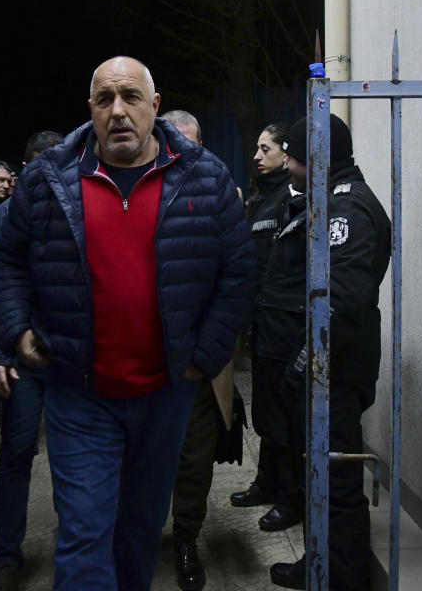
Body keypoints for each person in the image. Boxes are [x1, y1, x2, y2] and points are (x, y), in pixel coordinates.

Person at [0, 56, 255, 591]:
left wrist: (203, 357)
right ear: (89, 109)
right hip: (79, 393)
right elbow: (9, 259)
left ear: (154, 106)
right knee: (85, 537)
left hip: (166, 392)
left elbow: (239, 274)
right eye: (104, 99)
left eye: (131, 97)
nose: (118, 111)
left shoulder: (205, 177)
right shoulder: (48, 178)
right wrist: (17, 329)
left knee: (138, 533)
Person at [260, 115, 391, 590]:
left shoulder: (348, 210)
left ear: (317, 158)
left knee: (334, 480)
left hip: (334, 368)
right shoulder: (329, 201)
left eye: (292, 155)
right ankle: (321, 562)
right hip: (324, 366)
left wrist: (304, 361)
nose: (287, 165)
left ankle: (342, 579)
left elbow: (342, 300)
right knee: (317, 469)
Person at [0, 130, 62, 591]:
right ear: (28, 168)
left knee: (75, 459)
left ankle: (76, 549)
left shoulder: (83, 207)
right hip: (23, 360)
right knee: (15, 457)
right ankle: (6, 559)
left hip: (71, 361)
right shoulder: (9, 215)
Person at [160, 109, 235, 591]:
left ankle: (187, 538)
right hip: (144, 361)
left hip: (202, 363)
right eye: (175, 144)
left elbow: (236, 281)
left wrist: (206, 355)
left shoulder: (224, 195)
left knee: (194, 460)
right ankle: (138, 533)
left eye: (192, 145)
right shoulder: (135, 194)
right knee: (141, 456)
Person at [230, 122, 306, 534]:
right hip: (262, 321)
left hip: (284, 324)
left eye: (266, 148)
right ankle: (268, 482)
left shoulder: (291, 197)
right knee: (266, 411)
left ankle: (291, 496)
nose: (257, 156)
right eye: (257, 148)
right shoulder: (261, 198)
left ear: (284, 152)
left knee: (285, 416)